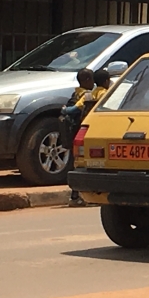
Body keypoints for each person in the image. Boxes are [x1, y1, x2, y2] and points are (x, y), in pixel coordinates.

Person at [62, 68, 94, 207]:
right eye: (91, 79)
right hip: (83, 134)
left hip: (75, 133)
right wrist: (65, 110)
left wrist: (63, 109)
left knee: (77, 164)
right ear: (87, 81)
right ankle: (76, 197)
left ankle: (76, 196)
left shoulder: (75, 93)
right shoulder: (87, 95)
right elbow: (75, 109)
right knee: (82, 165)